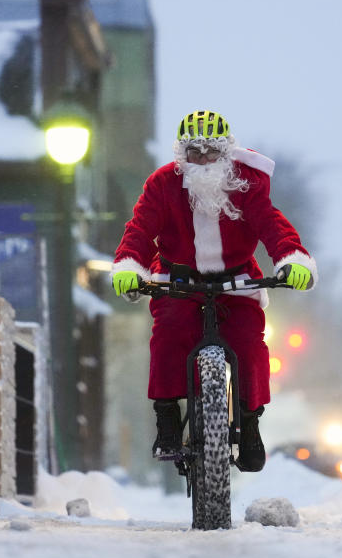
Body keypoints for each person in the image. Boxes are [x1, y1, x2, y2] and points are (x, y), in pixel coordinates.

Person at [111, 110, 316, 472]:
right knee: (168, 336)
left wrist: (290, 258)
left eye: (212, 151)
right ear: (182, 154)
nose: (204, 159)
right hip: (178, 281)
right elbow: (140, 227)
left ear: (227, 152)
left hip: (235, 282)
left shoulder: (246, 184)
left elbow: (272, 224)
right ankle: (168, 421)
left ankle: (250, 424)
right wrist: (129, 265)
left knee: (250, 343)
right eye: (195, 151)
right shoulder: (163, 184)